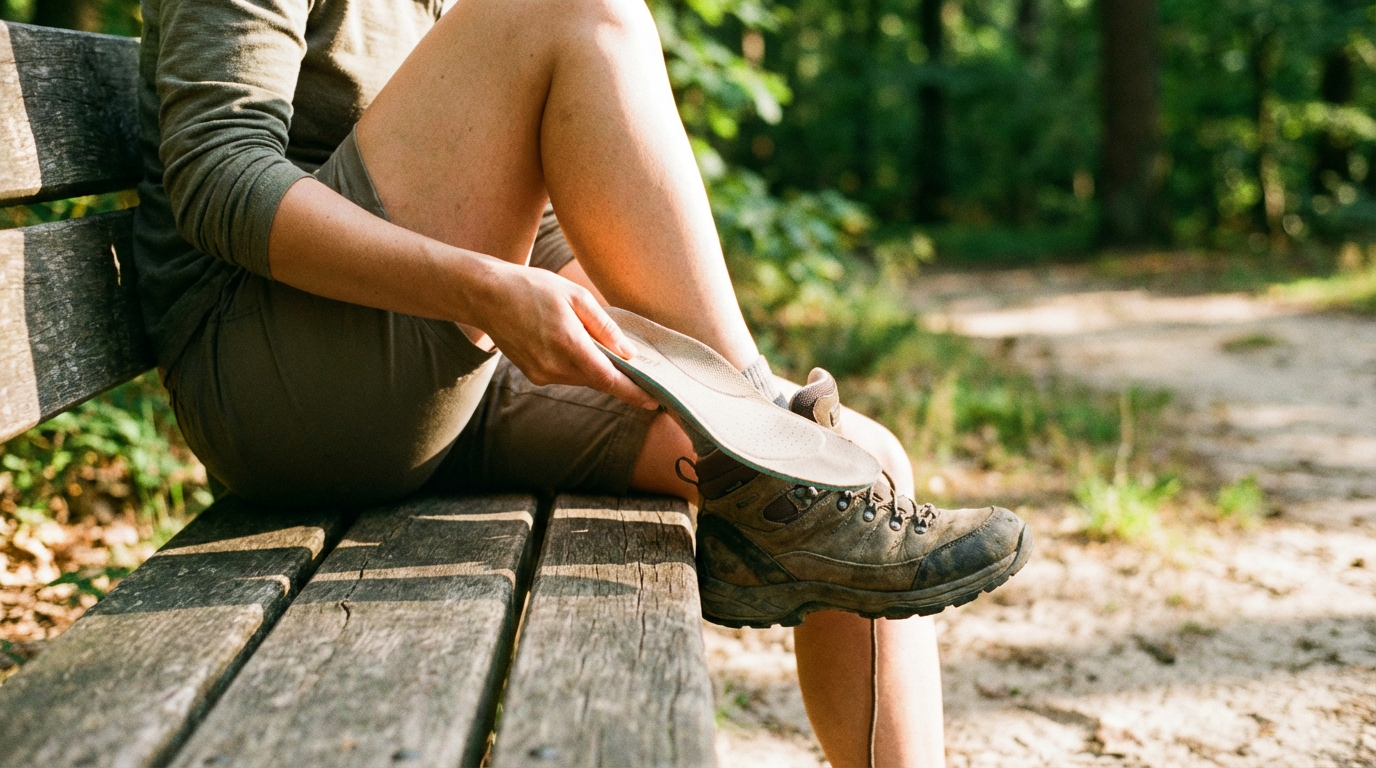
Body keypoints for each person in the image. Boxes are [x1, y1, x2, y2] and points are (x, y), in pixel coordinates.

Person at [132, 0, 1029, 763]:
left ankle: (769, 438)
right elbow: (220, 179)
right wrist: (486, 289)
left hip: (433, 377)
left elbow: (533, 217)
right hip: (273, 378)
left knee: (861, 457)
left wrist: (658, 354)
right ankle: (768, 433)